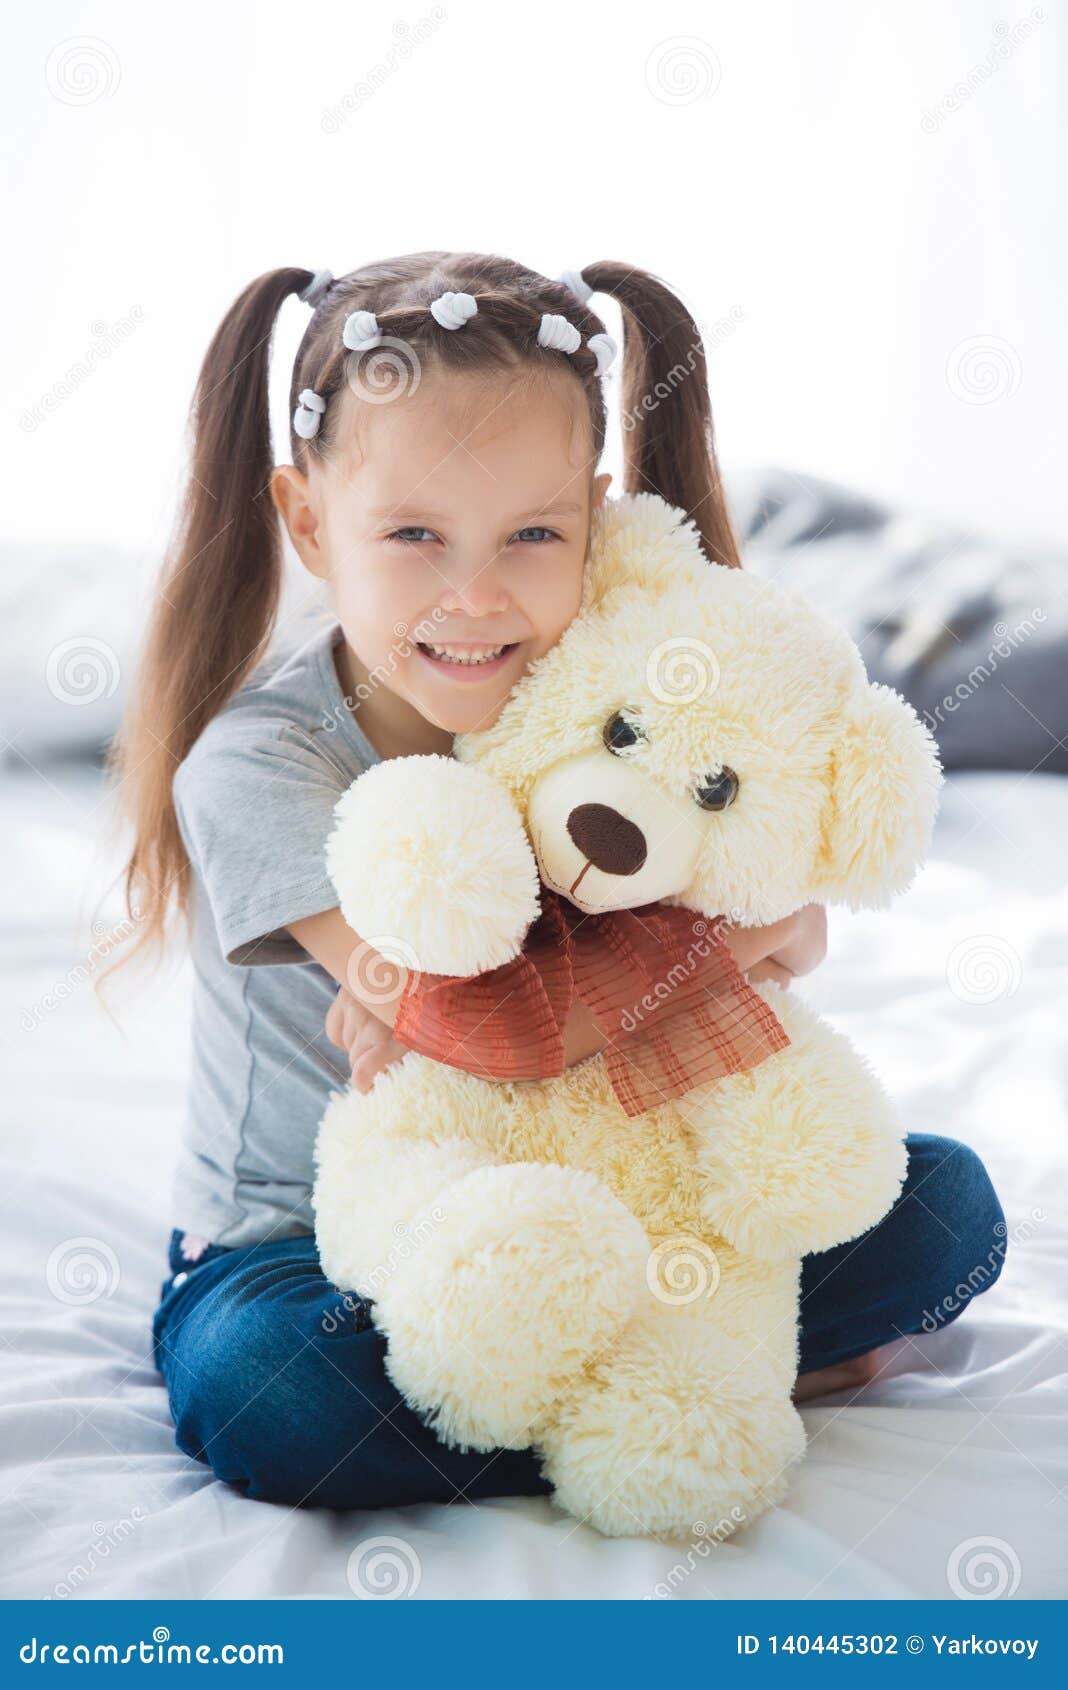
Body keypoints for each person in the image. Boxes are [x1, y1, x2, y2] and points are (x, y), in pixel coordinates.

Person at [104, 253, 1005, 1510]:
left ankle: (579, 1380)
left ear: (596, 516)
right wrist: (760, 939)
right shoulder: (264, 761)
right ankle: (661, 1389)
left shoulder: (606, 687)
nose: (475, 597)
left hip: (629, 1205)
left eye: (532, 534)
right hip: (321, 1251)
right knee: (277, 1394)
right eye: (413, 534)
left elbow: (736, 836)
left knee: (948, 1214)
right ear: (308, 519)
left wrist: (758, 909)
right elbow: (483, 1026)